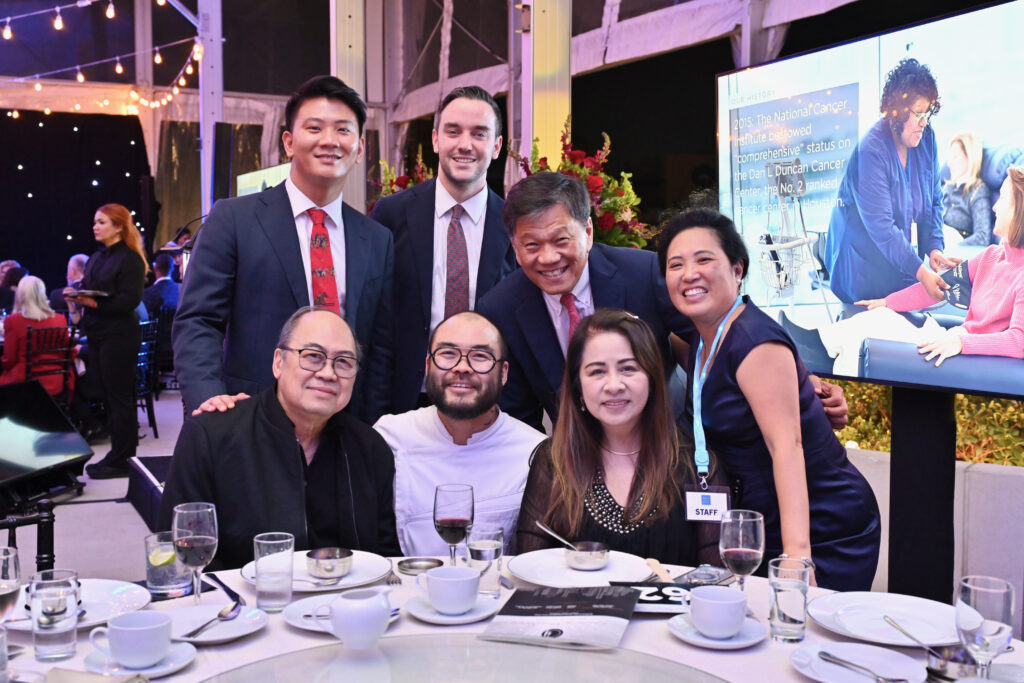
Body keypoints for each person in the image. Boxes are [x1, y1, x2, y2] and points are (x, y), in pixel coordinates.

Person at [476, 171, 849, 431]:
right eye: (531, 245)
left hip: (665, 443)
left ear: (587, 232)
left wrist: (803, 380)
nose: (548, 258)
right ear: (514, 247)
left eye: (561, 240)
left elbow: (724, 332)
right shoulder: (501, 309)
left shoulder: (641, 273)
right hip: (574, 459)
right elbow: (518, 418)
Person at [660, 208, 880, 591]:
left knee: (803, 638)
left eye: (704, 259)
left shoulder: (754, 342)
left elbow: (787, 447)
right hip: (761, 523)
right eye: (675, 264)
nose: (689, 273)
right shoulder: (701, 339)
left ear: (738, 269)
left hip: (822, 525)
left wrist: (798, 555)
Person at [173, 75, 394, 423]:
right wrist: (210, 398)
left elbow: (379, 344)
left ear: (360, 148)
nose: (329, 141)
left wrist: (374, 423)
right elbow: (198, 320)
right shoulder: (233, 219)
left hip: (343, 425)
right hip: (249, 417)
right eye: (315, 128)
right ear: (289, 142)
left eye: (343, 130)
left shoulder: (376, 239)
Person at [160, 307, 401, 571]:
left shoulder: (370, 448)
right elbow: (178, 558)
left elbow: (385, 559)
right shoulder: (211, 436)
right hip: (244, 605)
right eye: (312, 356)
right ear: (278, 362)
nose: (328, 373)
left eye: (343, 362)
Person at [516, 308, 722, 566]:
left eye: (628, 368)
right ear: (577, 386)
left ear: (652, 379)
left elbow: (717, 581)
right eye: (597, 371)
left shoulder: (699, 466)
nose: (613, 385)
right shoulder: (553, 461)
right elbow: (529, 568)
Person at [786, 165, 1024, 372]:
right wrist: (888, 302)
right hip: (952, 340)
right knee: (880, 316)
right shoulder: (991, 257)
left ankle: (807, 354)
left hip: (963, 354)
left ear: (1019, 211)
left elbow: (1019, 341)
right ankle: (809, 347)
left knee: (866, 336)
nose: (995, 206)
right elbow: (936, 287)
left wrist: (962, 343)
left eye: (1003, 199)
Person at [369, 86, 516, 413]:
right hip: (405, 403)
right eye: (453, 131)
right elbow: (377, 324)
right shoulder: (391, 215)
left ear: (496, 147)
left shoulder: (514, 225)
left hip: (488, 405)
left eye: (479, 134)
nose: (465, 144)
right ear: (435, 140)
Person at [374, 312, 544, 556]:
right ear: (427, 366)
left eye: (480, 356)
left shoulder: (535, 452)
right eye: (448, 354)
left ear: (504, 373)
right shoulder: (388, 437)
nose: (462, 367)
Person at [825, 57, 960, 305]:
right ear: (896, 112)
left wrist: (934, 249)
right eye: (919, 113)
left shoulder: (926, 139)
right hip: (861, 265)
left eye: (928, 113)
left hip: (895, 259)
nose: (924, 122)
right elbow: (883, 228)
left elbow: (934, 202)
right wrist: (921, 273)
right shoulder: (871, 151)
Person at [65, 204, 147, 479]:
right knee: (108, 397)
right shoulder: (96, 258)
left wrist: (92, 302)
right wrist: (77, 298)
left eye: (101, 222)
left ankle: (124, 457)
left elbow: (129, 301)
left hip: (120, 334)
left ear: (119, 226)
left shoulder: (130, 259)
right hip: (99, 332)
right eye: (95, 221)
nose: (95, 226)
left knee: (120, 397)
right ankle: (117, 453)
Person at [0, 276, 72, 394]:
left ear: (20, 295)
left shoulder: (13, 321)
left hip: (23, 381)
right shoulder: (60, 320)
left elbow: (9, 360)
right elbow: (66, 353)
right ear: (43, 294)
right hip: (57, 380)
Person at [942, 132, 994, 248]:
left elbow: (982, 237)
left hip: (952, 250)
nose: (949, 164)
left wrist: (952, 249)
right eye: (949, 158)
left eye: (955, 157)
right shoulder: (947, 188)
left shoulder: (978, 190)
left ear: (970, 157)